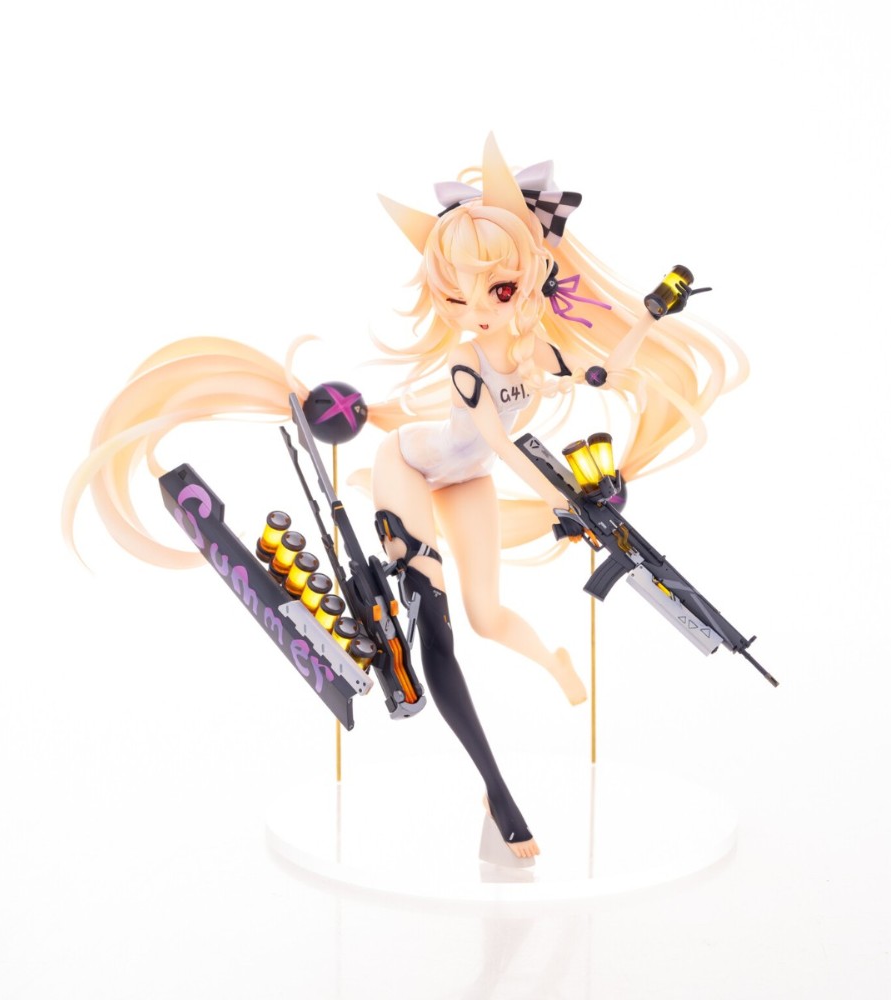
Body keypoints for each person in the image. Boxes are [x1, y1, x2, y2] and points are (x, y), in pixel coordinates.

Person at [63, 135, 748, 859]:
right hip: (411, 469)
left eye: (496, 290)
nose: (474, 309)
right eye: (456, 295)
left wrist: (647, 316)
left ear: (529, 278)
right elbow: (502, 440)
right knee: (436, 630)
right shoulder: (465, 361)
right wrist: (565, 499)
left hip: (468, 478)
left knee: (486, 617)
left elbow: (605, 372)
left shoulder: (534, 353)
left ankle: (550, 660)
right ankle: (497, 791)